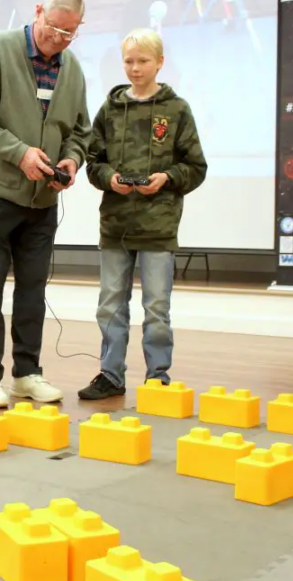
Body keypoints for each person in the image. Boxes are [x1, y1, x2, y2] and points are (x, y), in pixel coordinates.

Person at [0, 0, 91, 408]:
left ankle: (28, 373)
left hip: (41, 201)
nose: (60, 39)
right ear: (37, 12)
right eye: (54, 28)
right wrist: (19, 154)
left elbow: (80, 132)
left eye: (70, 32)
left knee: (33, 291)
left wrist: (70, 161)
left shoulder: (73, 69)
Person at [77, 28, 208, 400]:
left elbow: (196, 167)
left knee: (156, 307)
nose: (134, 68)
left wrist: (166, 178)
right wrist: (109, 179)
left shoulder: (176, 110)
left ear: (160, 63)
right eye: (129, 61)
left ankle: (158, 377)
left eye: (143, 61)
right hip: (115, 225)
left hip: (158, 226)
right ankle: (111, 375)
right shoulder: (110, 108)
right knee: (110, 304)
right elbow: (92, 162)